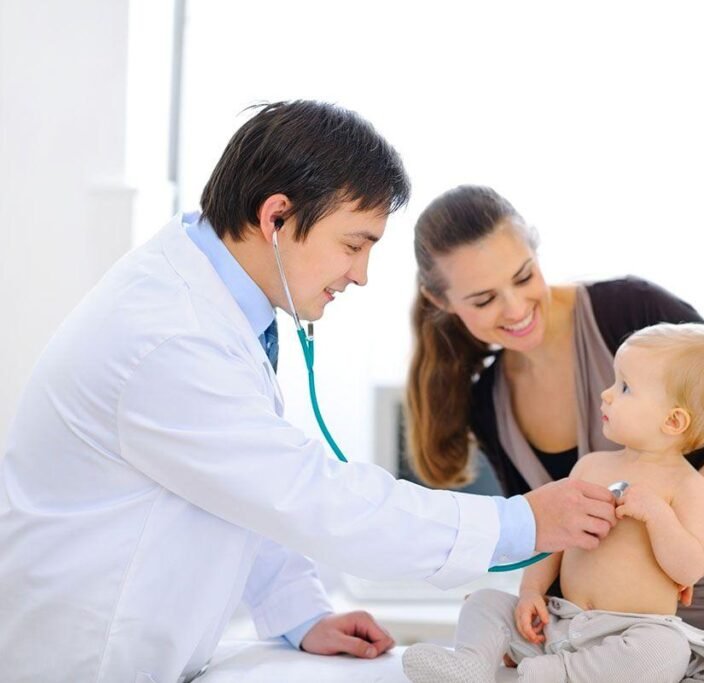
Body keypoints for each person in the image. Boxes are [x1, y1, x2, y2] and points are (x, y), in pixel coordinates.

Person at [0, 102, 620, 683]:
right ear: (276, 218)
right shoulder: (169, 339)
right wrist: (522, 522)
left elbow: (239, 488)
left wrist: (297, 610)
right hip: (88, 658)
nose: (360, 274)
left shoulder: (210, 304)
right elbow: (305, 495)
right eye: (353, 245)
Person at [407, 185, 704, 657]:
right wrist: (530, 616)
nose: (514, 307)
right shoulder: (487, 404)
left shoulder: (633, 313)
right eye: (484, 300)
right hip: (604, 642)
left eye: (524, 276)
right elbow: (543, 530)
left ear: (535, 252)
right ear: (440, 300)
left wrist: (675, 511)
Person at [404, 323, 704, 683]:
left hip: (630, 632)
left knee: (666, 650)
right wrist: (531, 592)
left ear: (673, 420)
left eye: (624, 387)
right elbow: (553, 540)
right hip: (560, 620)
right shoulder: (591, 466)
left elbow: (689, 570)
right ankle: (469, 665)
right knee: (484, 602)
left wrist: (658, 515)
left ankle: (559, 674)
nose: (607, 394)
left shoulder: (688, 487)